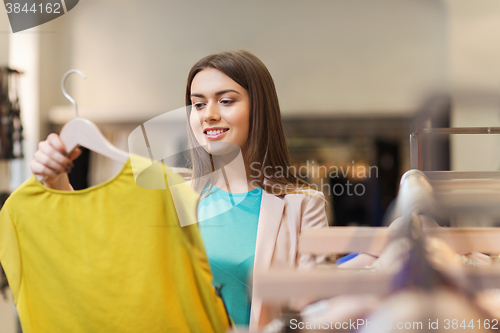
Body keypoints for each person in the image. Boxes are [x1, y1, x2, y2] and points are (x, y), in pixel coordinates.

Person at [30, 50, 329, 330]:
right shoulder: (166, 192)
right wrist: (55, 179)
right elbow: (95, 248)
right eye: (198, 104)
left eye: (226, 101)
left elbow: (316, 313)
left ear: (259, 108)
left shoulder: (302, 206)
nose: (208, 114)